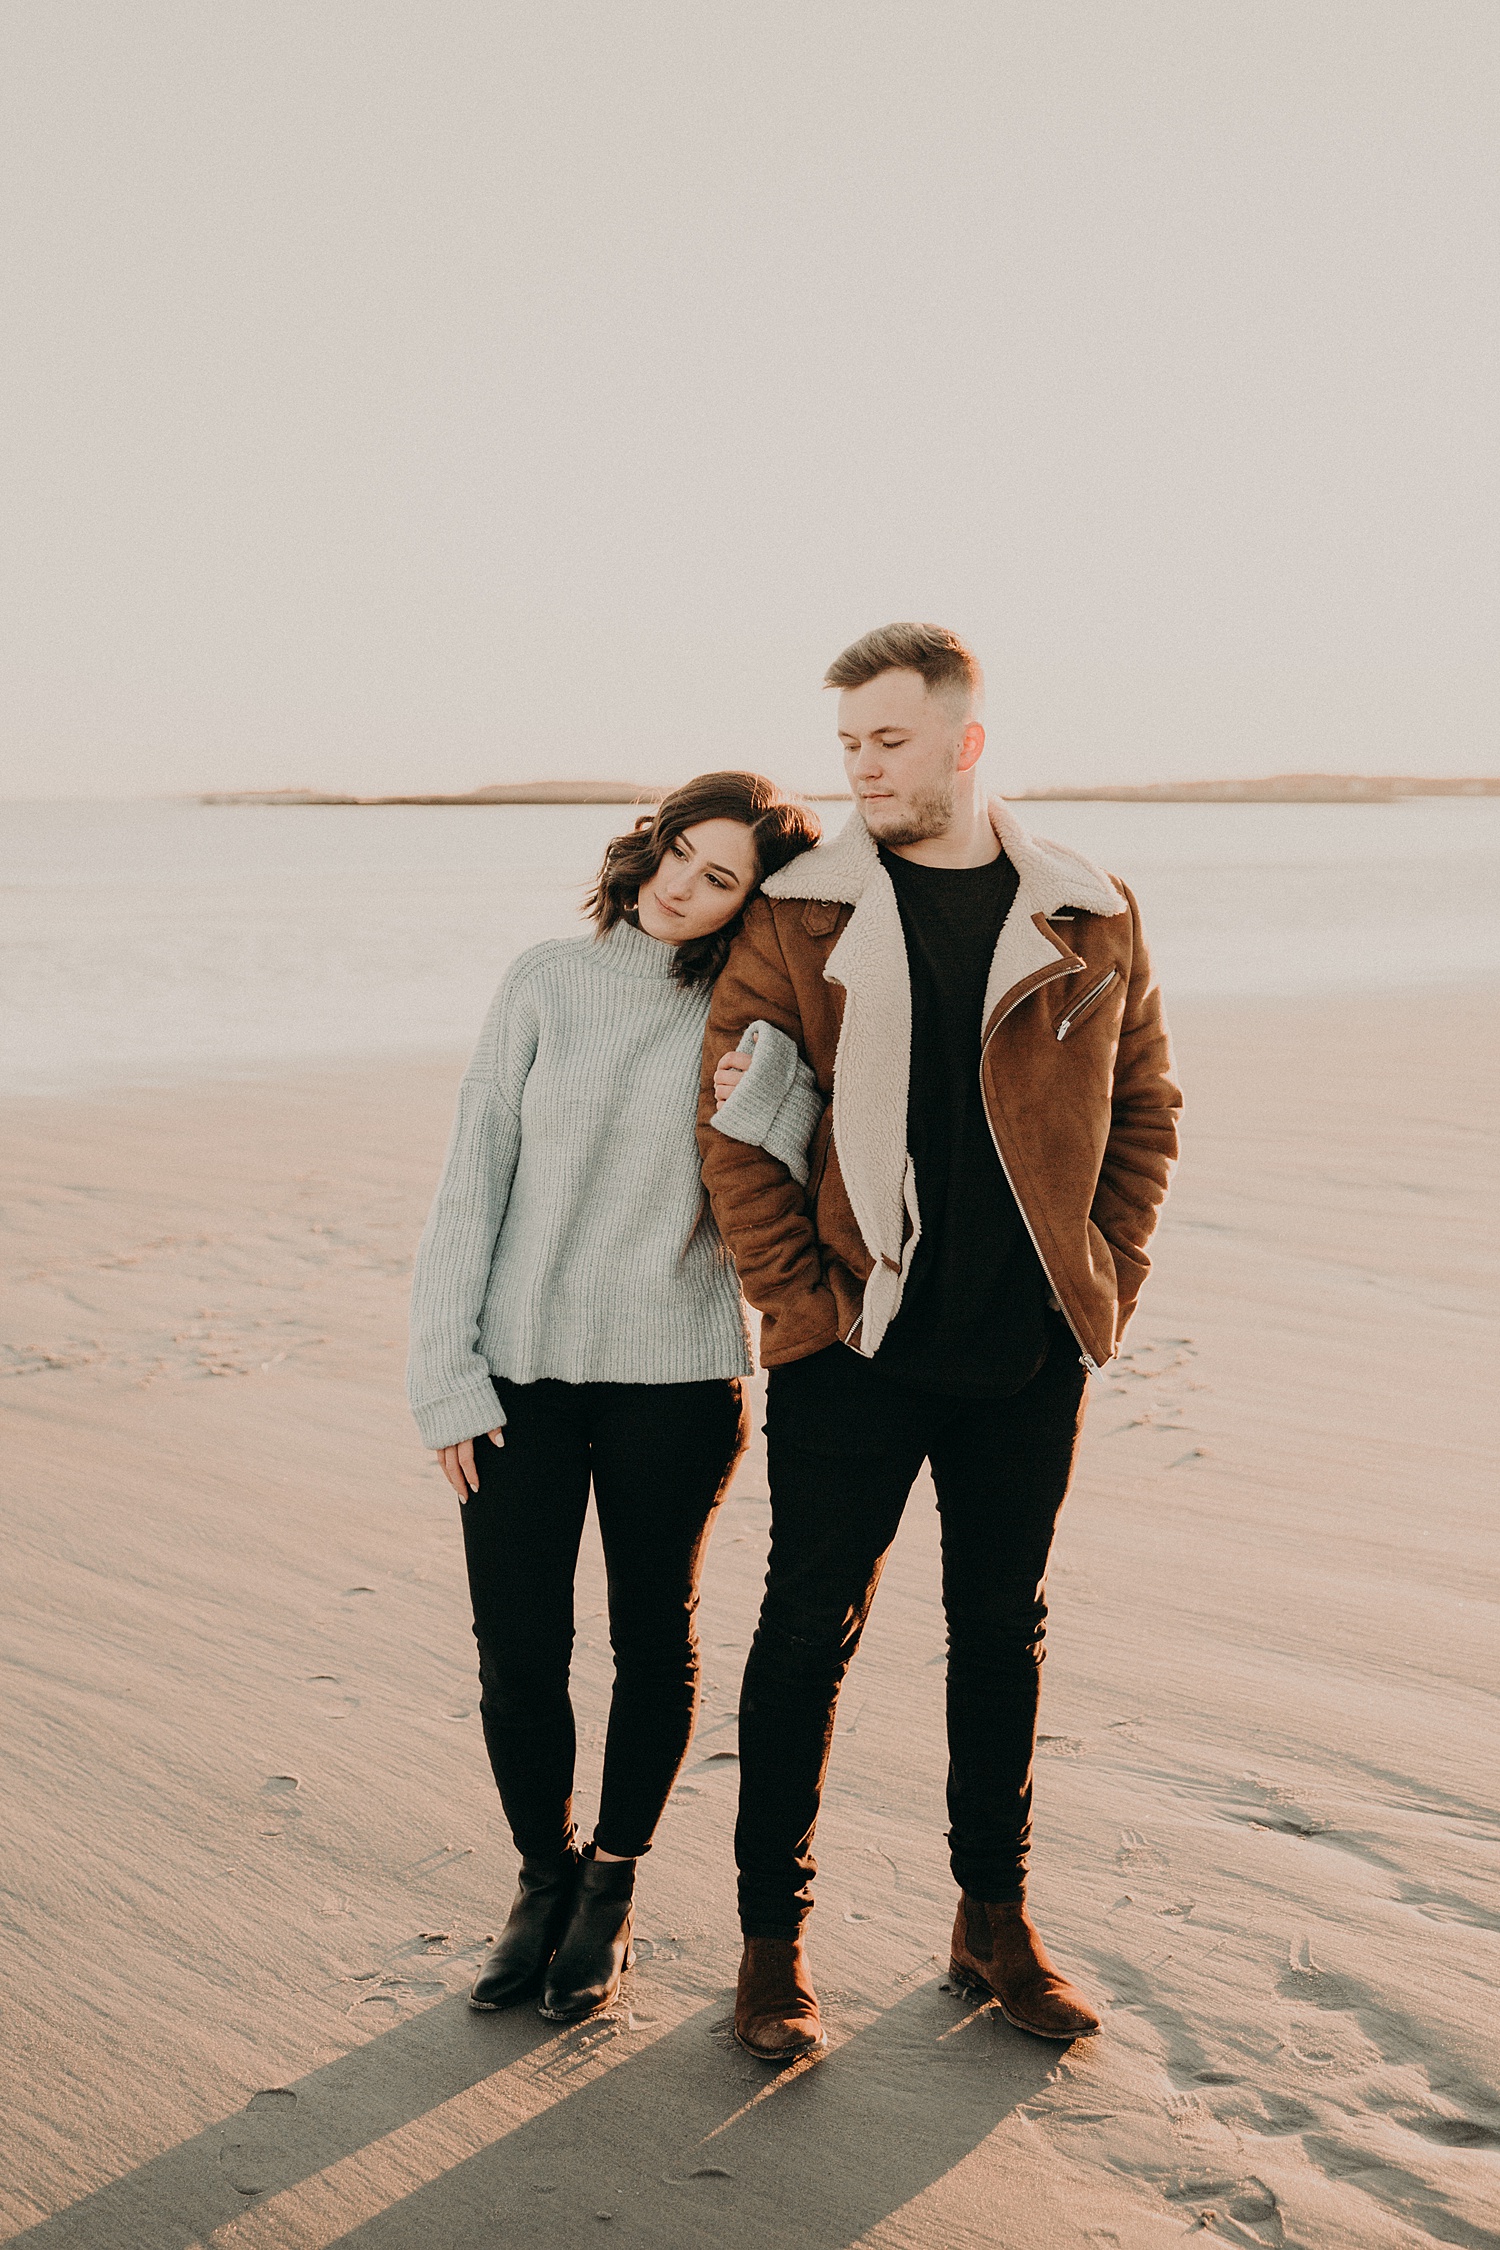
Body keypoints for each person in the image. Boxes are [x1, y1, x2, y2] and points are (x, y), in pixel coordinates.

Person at [700, 625, 1182, 2060]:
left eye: (887, 741)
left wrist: (1101, 1275)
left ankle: (991, 1922)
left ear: (966, 744)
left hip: (1025, 1352)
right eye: (847, 743)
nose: (859, 766)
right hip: (856, 1346)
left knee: (1001, 1633)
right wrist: (802, 1312)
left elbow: (1145, 1106)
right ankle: (772, 1946)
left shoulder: (1090, 909)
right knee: (804, 1636)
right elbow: (737, 1131)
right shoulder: (797, 913)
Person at [408, 772, 820, 2023]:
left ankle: (614, 1882)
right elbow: (472, 1170)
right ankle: (543, 1873)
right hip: (518, 1376)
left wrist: (764, 1079)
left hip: (681, 1378)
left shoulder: (757, 1016)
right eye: (675, 856)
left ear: (754, 903)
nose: (679, 891)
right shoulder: (546, 978)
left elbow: (791, 1168)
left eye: (719, 880)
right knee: (519, 1649)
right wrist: (445, 1372)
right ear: (647, 845)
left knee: (655, 1637)